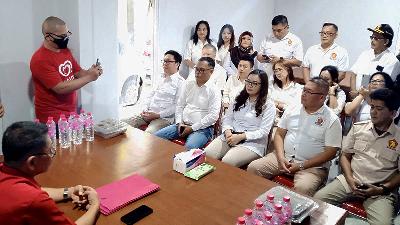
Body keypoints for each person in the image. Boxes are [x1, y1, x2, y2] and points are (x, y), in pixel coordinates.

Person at [314, 88, 400, 225]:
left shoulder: (398, 138)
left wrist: (382, 189)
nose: (373, 111)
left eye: (379, 108)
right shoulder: (359, 128)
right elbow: (345, 156)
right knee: (318, 200)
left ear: (393, 113)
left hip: (380, 190)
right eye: (372, 107)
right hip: (351, 181)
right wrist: (349, 178)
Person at [247, 77, 342, 196]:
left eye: (309, 92)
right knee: (254, 168)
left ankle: (289, 213)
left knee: (303, 188)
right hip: (283, 158)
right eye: (304, 90)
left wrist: (301, 165)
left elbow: (331, 152)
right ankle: (256, 201)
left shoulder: (331, 119)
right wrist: (281, 157)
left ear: (321, 97)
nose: (304, 94)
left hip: (311, 167)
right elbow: (279, 134)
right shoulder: (292, 109)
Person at [0, 121, 99, 225]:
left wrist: (69, 192)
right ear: (32, 162)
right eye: (50, 151)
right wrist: (95, 205)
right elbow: (33, 198)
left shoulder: (5, 170)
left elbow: (35, 191)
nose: (53, 154)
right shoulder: (34, 200)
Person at [30, 16, 103, 123]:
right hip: (52, 119)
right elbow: (60, 88)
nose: (66, 38)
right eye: (62, 36)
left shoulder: (64, 50)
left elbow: (77, 72)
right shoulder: (40, 59)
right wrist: (89, 77)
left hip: (70, 113)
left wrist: (91, 72)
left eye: (67, 34)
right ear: (48, 37)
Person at [205, 69, 275, 167]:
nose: (250, 85)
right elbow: (227, 118)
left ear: (262, 86)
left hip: (252, 143)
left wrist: (241, 136)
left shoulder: (268, 105)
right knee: (208, 153)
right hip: (231, 135)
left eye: (254, 83)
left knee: (228, 161)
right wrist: (228, 131)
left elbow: (264, 131)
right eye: (248, 81)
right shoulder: (239, 97)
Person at [154, 57, 221, 150]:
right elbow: (180, 105)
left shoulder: (214, 90)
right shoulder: (188, 84)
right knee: (155, 137)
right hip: (182, 124)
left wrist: (192, 128)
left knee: (189, 148)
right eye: (196, 69)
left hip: (202, 129)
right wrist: (179, 122)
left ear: (211, 71)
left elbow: (213, 116)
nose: (198, 72)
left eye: (202, 70)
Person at [124, 50, 185, 133]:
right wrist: (144, 109)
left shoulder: (181, 82)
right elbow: (149, 96)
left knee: (148, 135)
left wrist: (157, 115)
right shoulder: (160, 78)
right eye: (163, 61)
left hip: (163, 118)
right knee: (121, 124)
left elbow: (177, 106)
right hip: (147, 114)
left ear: (177, 64)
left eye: (168, 61)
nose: (164, 64)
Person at [348, 24, 397, 92]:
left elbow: (383, 86)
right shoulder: (365, 54)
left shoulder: (392, 61)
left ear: (386, 41)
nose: (372, 40)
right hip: (356, 98)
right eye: (372, 37)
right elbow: (353, 74)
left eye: (376, 38)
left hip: (374, 101)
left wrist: (362, 95)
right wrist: (353, 92)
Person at [256, 15, 303, 82]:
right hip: (265, 77)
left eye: (279, 30)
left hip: (283, 79)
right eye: (273, 30)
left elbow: (298, 62)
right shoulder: (267, 37)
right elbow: (259, 54)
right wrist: (260, 57)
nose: (276, 33)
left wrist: (280, 60)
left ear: (287, 27)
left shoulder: (295, 40)